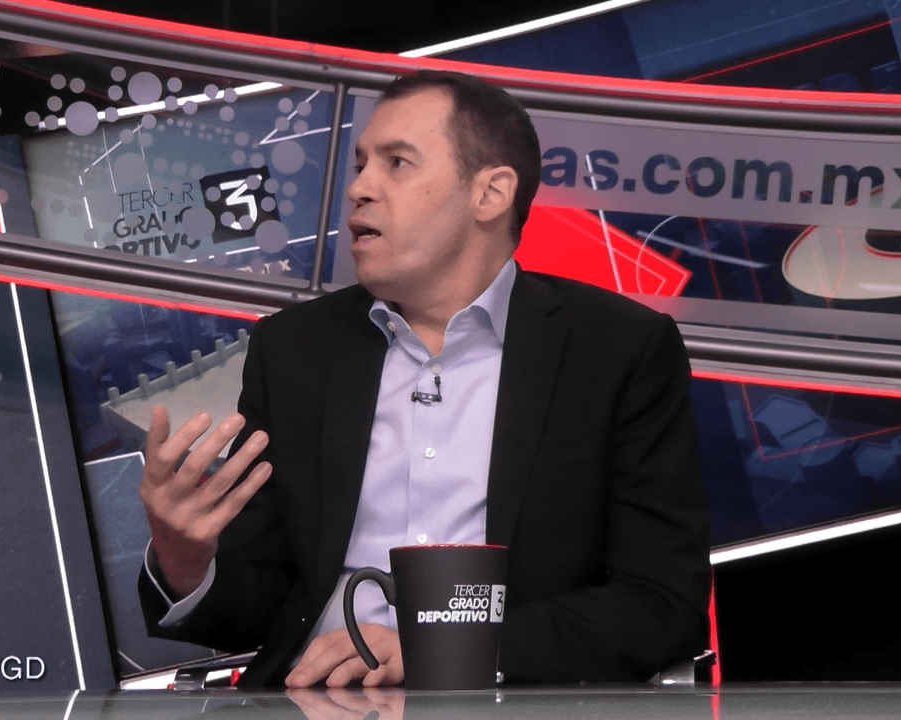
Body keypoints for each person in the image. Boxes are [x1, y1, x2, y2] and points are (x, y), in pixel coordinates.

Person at [138, 70, 710, 688]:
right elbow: (258, 608)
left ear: (489, 194)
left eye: (397, 163)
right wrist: (184, 558)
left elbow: (660, 603)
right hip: (312, 699)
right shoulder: (294, 349)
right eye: (361, 164)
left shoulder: (616, 349)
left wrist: (449, 652)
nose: (359, 188)